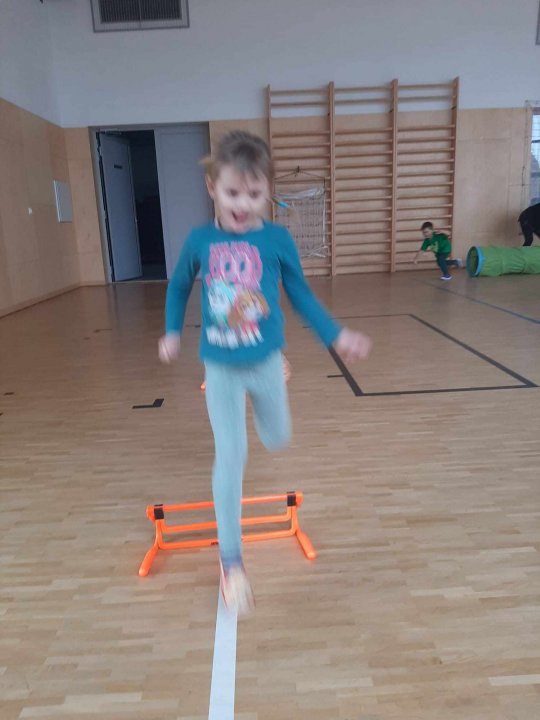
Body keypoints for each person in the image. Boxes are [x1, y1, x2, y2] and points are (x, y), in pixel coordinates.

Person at [158, 131, 372, 615]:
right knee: (231, 456)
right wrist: (171, 331)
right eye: (233, 192)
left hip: (265, 361)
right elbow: (177, 287)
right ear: (212, 187)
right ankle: (231, 563)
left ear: (267, 192)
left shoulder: (276, 240)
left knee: (276, 439)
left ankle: (273, 378)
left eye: (254, 194)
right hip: (220, 366)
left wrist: (336, 335)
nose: (243, 204)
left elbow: (300, 294)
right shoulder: (200, 241)